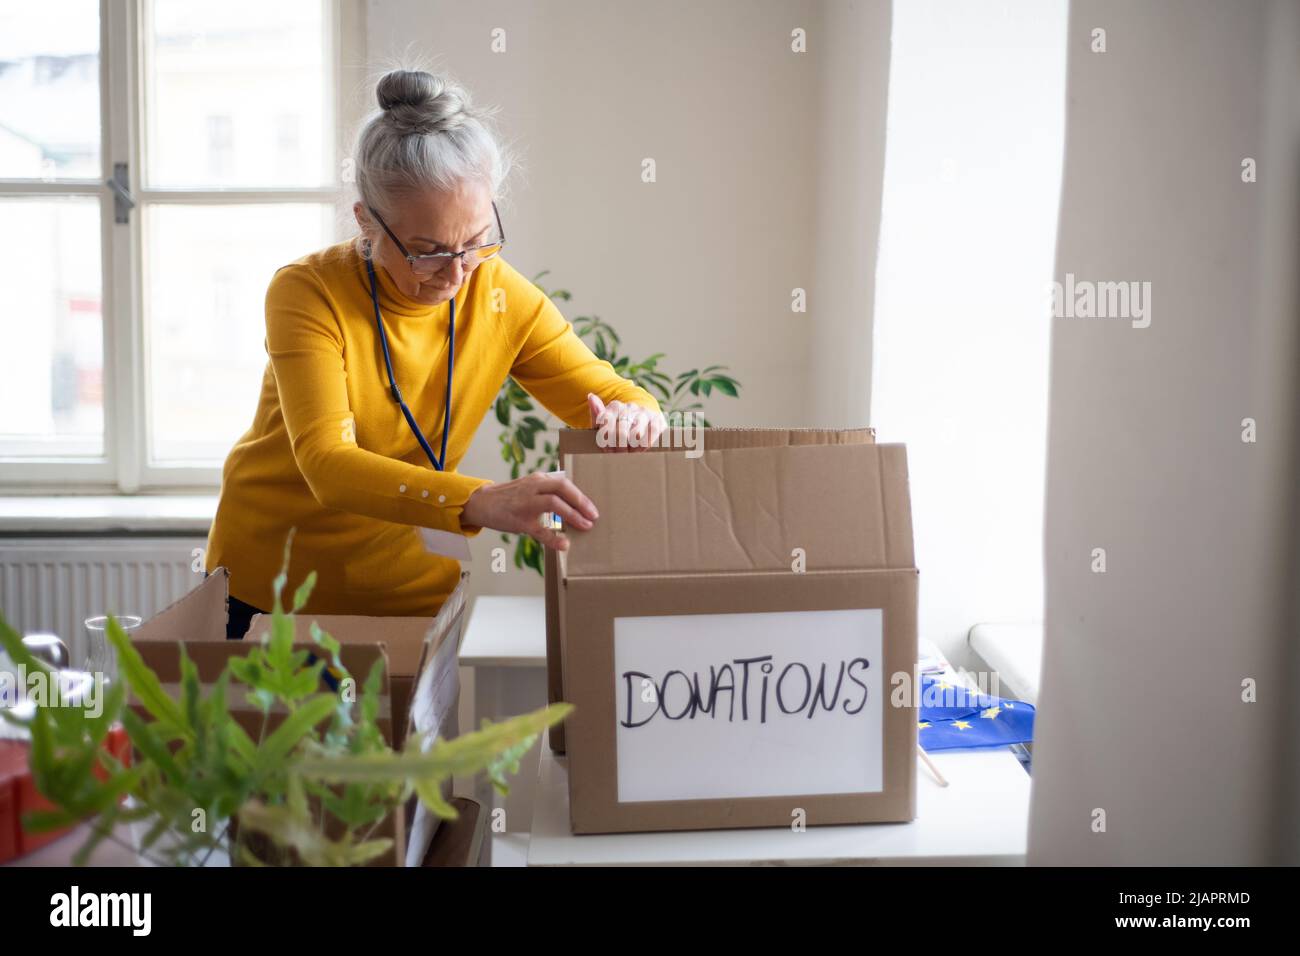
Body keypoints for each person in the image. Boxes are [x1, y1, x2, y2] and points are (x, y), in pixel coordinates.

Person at [204, 68, 665, 638]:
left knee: (410, 734)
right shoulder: (307, 292)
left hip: (413, 594)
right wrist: (486, 501)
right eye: (427, 252)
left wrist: (635, 415)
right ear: (367, 223)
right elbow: (327, 464)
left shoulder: (498, 293)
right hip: (272, 591)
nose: (457, 273)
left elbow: (609, 392)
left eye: (475, 241)